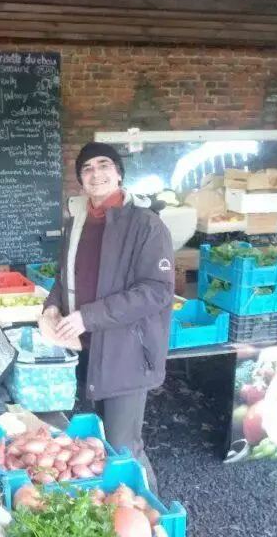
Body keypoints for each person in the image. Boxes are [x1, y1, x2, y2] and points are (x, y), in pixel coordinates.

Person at [42, 142, 174, 494]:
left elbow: (157, 290)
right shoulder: (78, 221)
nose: (96, 173)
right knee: (97, 443)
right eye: (87, 168)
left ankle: (151, 516)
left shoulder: (146, 225)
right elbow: (64, 276)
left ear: (118, 173)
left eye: (104, 165)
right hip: (87, 347)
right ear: (80, 180)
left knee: (123, 444)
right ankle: (116, 513)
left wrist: (89, 316)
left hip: (126, 350)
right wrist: (52, 306)